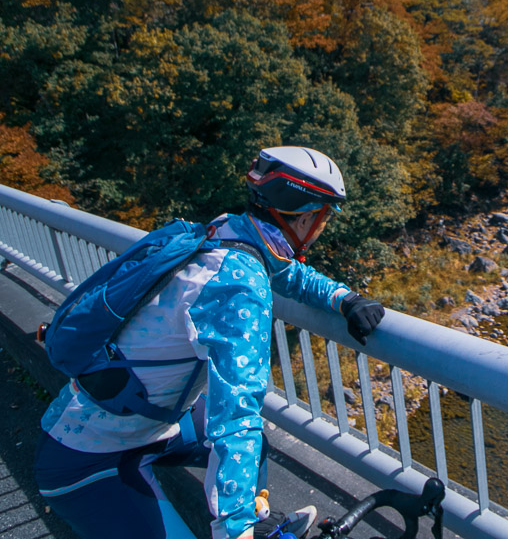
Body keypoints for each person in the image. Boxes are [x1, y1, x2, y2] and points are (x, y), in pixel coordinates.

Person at [34, 146, 386, 539]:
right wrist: (233, 530)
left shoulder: (226, 232)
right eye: (323, 218)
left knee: (255, 451)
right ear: (306, 216)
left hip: (135, 427)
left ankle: (264, 525)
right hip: (85, 464)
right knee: (241, 438)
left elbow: (284, 272)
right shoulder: (238, 285)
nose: (321, 228)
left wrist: (343, 298)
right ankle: (247, 526)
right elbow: (235, 415)